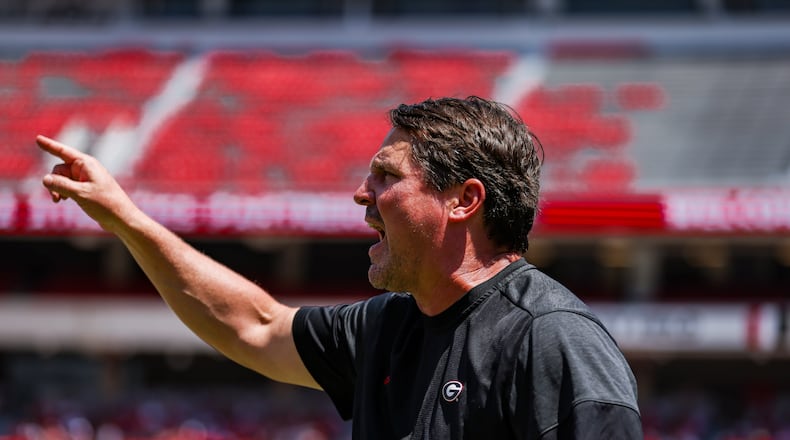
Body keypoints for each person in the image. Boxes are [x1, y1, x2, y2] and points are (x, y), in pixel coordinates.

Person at [37, 96, 643, 439]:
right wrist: (127, 220)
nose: (360, 194)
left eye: (386, 176)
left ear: (463, 200)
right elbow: (256, 326)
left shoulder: (551, 339)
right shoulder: (387, 327)